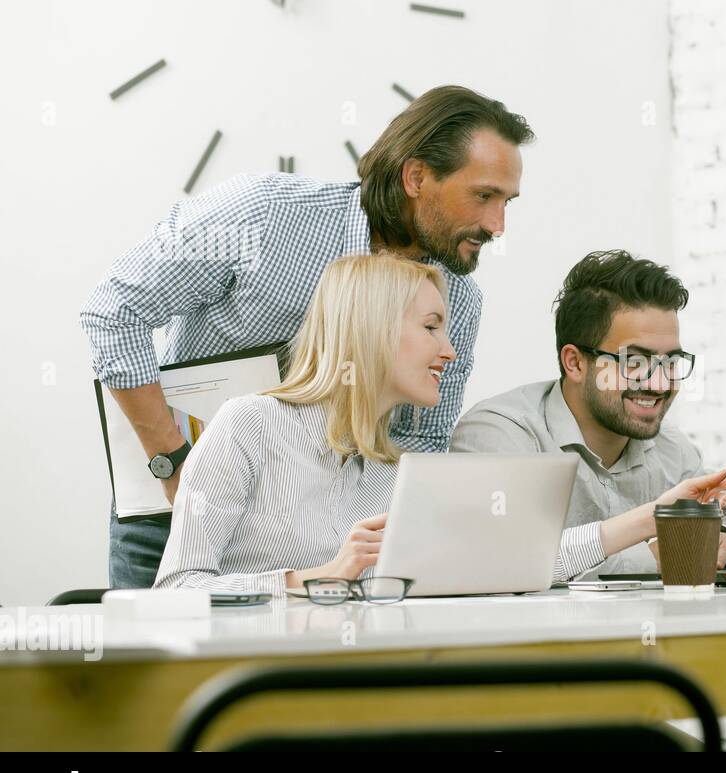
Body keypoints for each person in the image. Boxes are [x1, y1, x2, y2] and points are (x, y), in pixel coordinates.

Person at [82, 85, 532, 588]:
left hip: (322, 547)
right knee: (164, 659)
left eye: (507, 201)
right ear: (417, 176)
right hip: (171, 512)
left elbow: (418, 444)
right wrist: (174, 463)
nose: (498, 225)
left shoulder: (459, 302)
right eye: (484, 196)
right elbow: (115, 311)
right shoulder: (262, 216)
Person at [452, 250, 726, 582]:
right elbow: (499, 559)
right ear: (574, 363)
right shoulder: (500, 434)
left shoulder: (671, 449)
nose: (659, 383)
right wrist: (654, 555)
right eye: (634, 362)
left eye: (670, 362)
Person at [153, 254, 454, 594]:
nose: (449, 351)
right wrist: (316, 579)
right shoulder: (248, 426)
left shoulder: (394, 475)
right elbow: (175, 590)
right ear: (371, 328)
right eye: (431, 327)